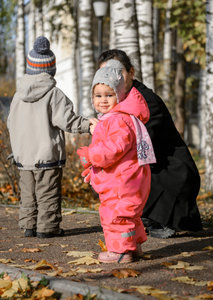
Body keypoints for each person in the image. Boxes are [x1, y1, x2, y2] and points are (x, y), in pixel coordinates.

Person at [97, 49, 202, 238]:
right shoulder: (118, 99)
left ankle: (156, 219)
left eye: (117, 72)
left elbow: (130, 145)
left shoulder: (143, 101)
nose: (111, 78)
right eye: (104, 73)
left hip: (170, 175)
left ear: (131, 72)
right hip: (157, 171)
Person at [7, 36, 97, 238]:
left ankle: (28, 226)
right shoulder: (53, 94)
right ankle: (47, 228)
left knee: (28, 195)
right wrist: (87, 126)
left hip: (24, 158)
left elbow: (10, 123)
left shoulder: (17, 95)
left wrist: (18, 148)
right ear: (50, 70)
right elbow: (67, 120)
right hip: (47, 156)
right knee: (48, 194)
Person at [77, 59, 155, 263]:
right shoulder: (118, 117)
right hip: (127, 177)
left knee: (115, 215)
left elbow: (114, 149)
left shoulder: (118, 119)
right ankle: (133, 246)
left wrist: (90, 155)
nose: (103, 100)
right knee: (129, 215)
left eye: (109, 95)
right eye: (98, 96)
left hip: (121, 180)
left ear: (119, 96)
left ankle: (120, 252)